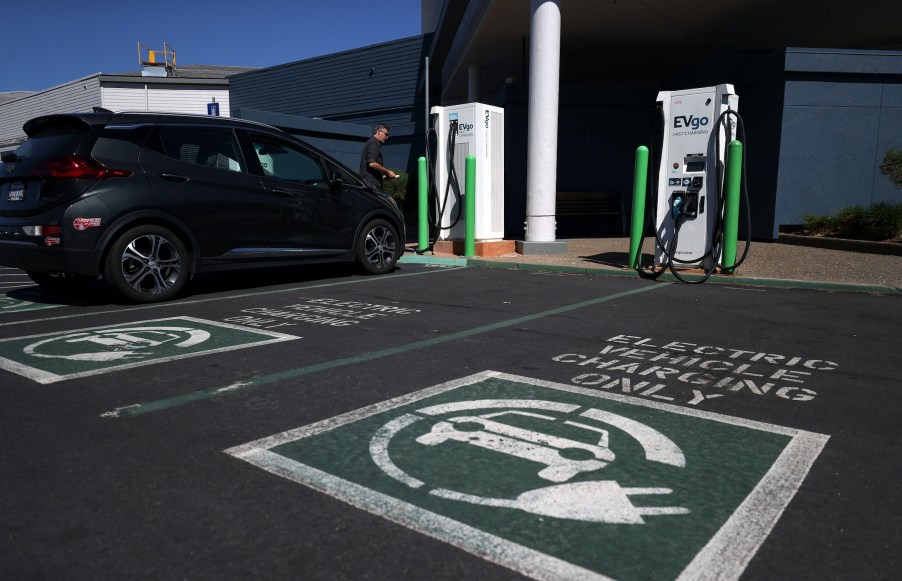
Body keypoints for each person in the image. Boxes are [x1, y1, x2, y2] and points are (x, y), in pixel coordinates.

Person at [359, 124, 397, 191]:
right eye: (386, 134)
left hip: (370, 182)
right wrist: (388, 172)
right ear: (379, 132)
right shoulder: (374, 143)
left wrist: (382, 176)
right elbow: (372, 163)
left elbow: (370, 167)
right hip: (371, 184)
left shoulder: (372, 142)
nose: (387, 137)